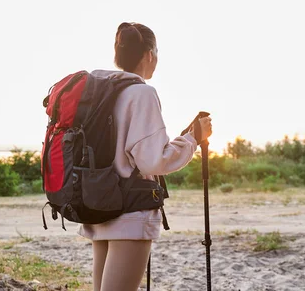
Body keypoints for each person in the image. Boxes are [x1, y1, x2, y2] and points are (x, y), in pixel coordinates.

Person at [77, 22, 212, 291]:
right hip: (129, 211)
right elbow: (153, 162)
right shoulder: (142, 93)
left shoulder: (101, 91)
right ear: (149, 54)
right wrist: (193, 139)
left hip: (99, 203)